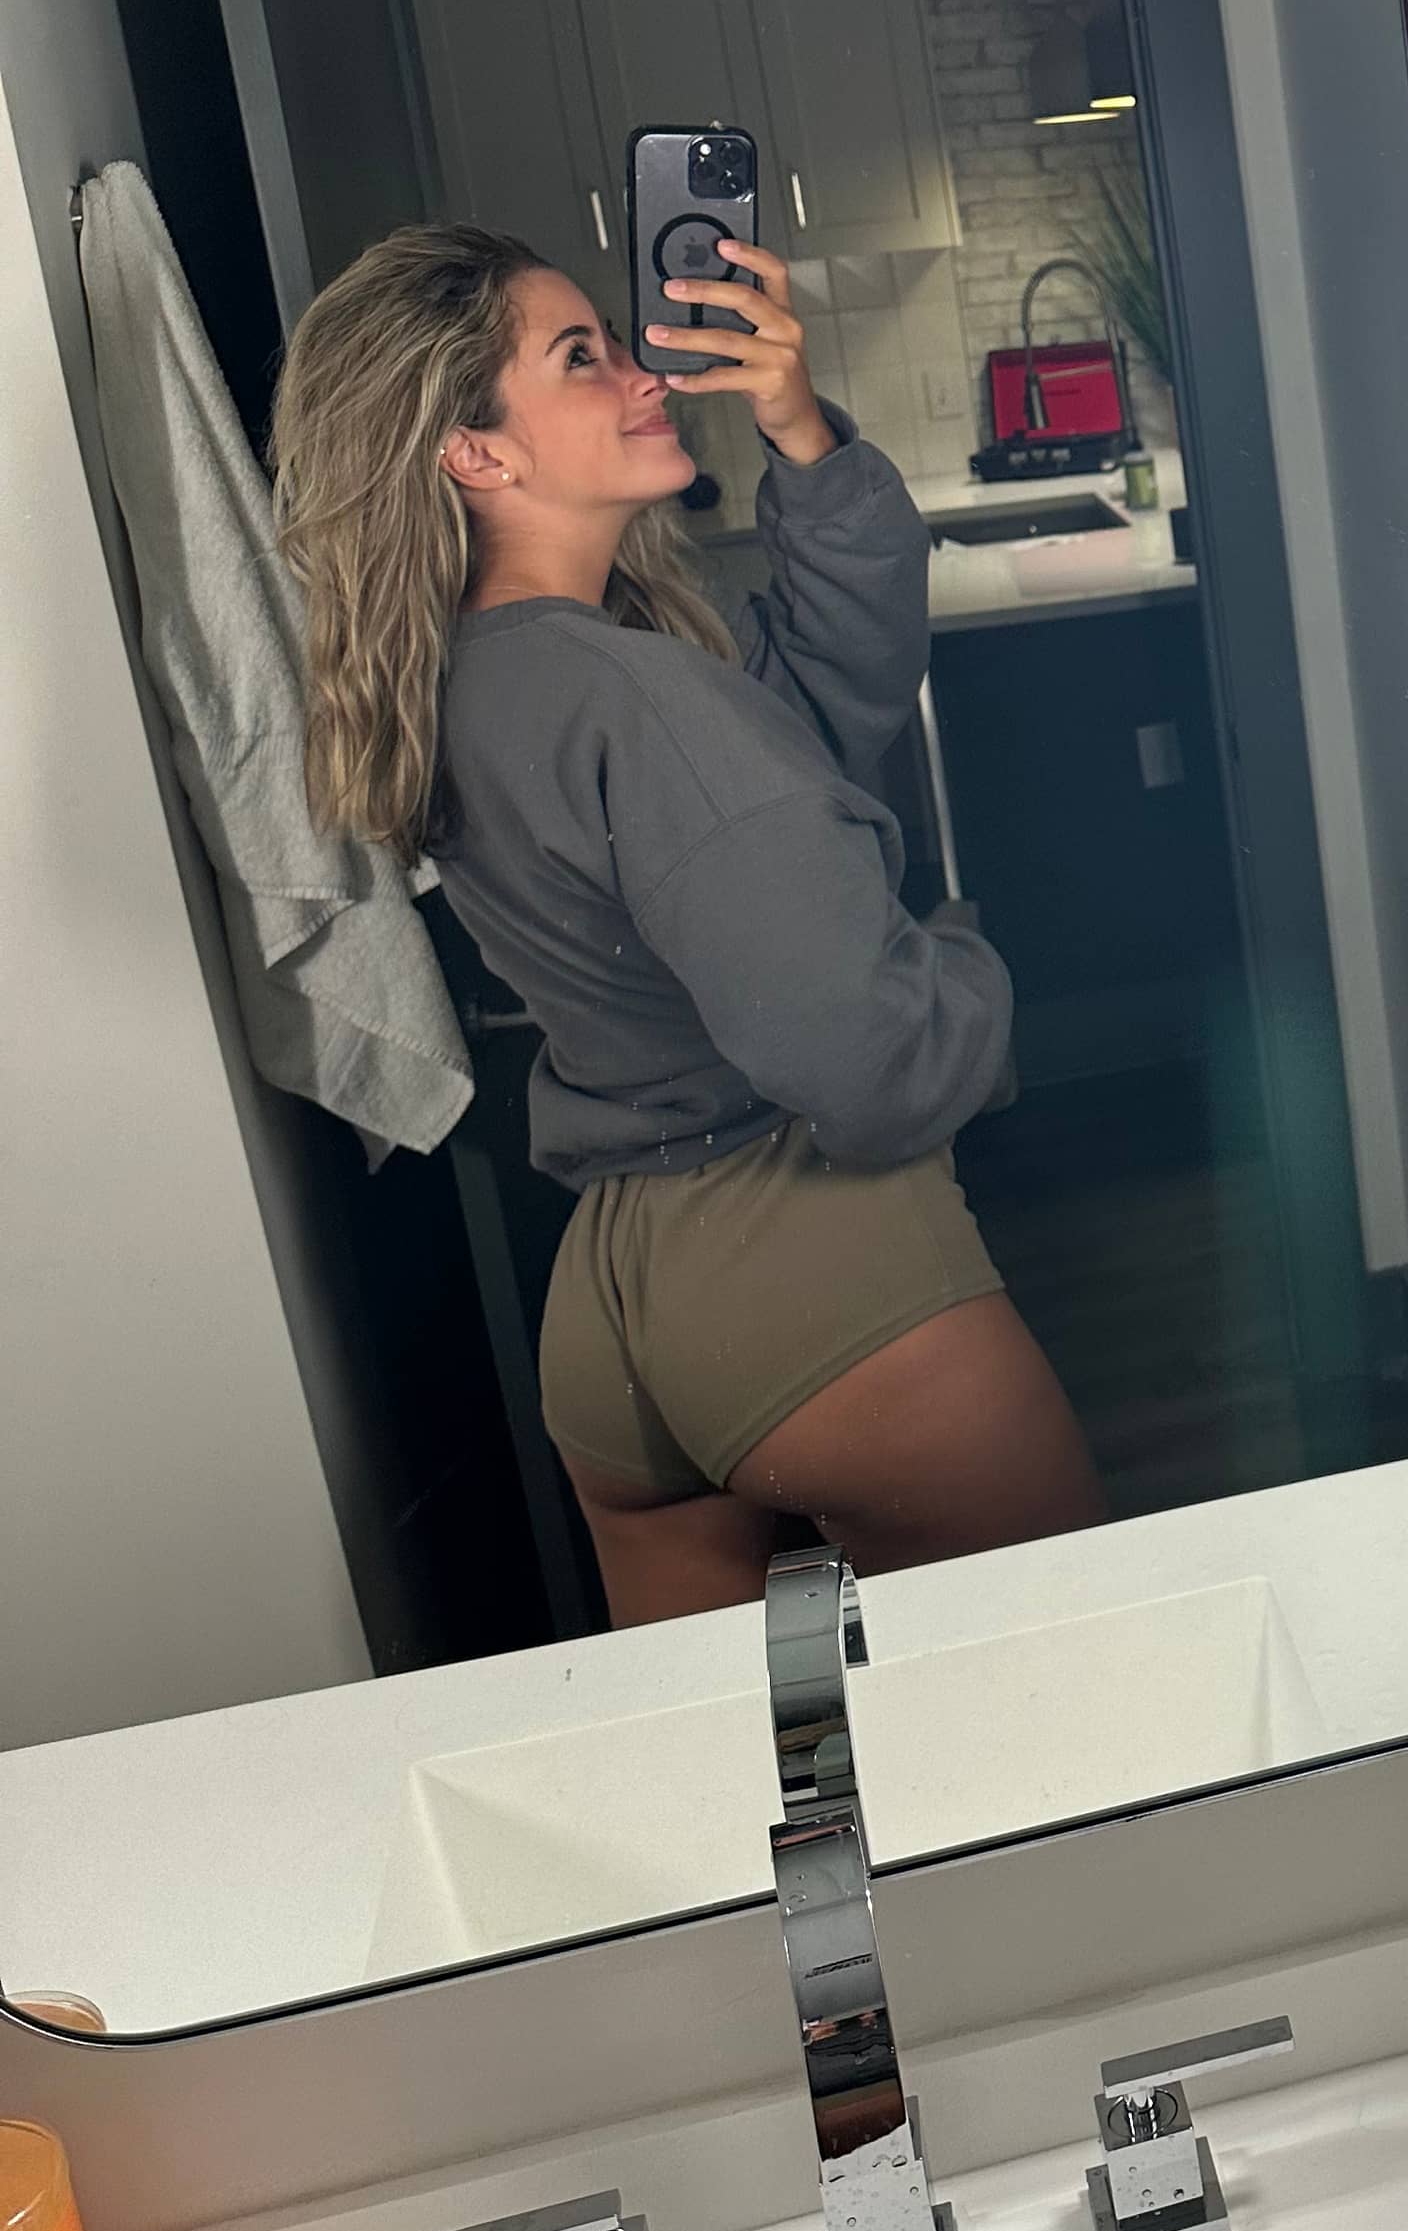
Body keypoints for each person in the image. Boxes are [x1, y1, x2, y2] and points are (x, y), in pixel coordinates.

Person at [272, 221, 1104, 1625]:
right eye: (579, 357)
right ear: (476, 454)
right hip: (803, 1277)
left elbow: (810, 703)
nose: (641, 372)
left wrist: (800, 431)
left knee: (769, 1745)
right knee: (1071, 1690)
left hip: (617, 1316)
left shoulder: (473, 686)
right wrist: (966, 960)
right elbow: (867, 1059)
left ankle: (809, 1778)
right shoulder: (635, 699)